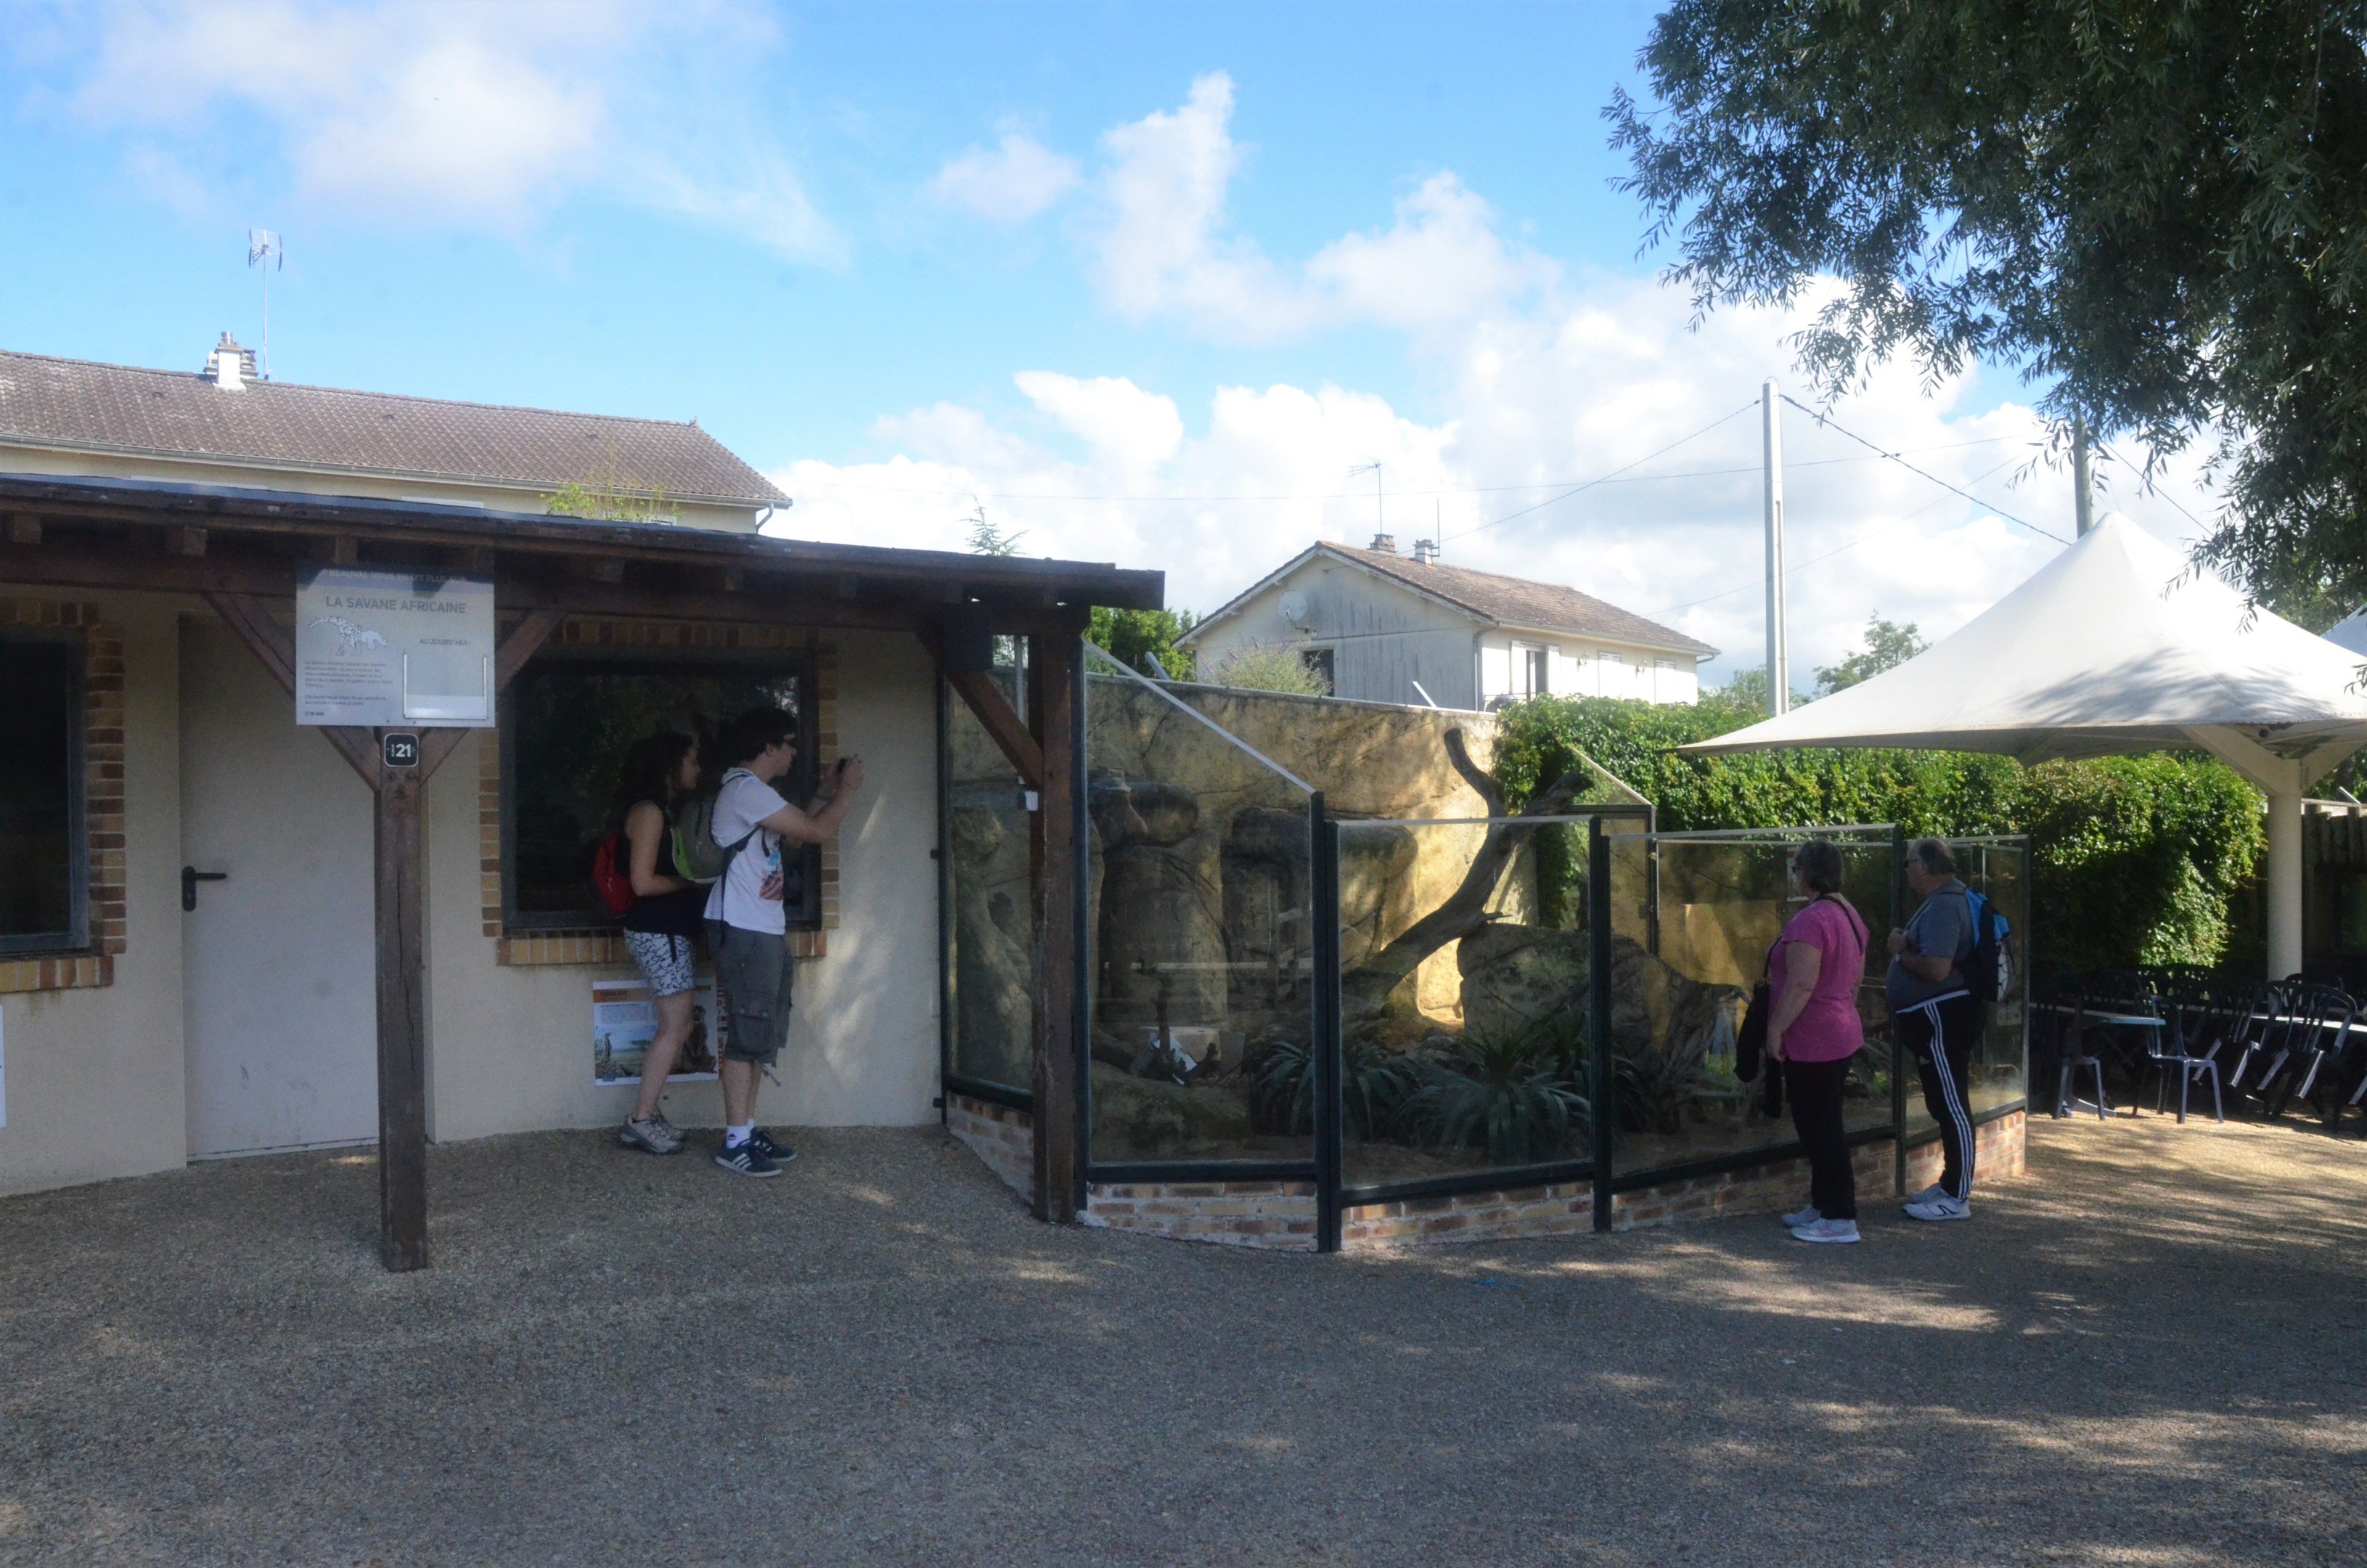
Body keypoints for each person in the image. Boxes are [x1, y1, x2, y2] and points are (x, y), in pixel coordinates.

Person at [706, 706, 864, 1177]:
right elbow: (817, 832)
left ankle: (746, 1129)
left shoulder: (754, 793)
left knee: (759, 1034)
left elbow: (794, 838)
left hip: (760, 927)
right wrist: (848, 790)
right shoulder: (745, 790)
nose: (794, 752)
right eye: (789, 743)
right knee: (746, 1034)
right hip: (744, 928)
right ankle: (735, 1141)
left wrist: (824, 792)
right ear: (769, 746)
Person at [1767, 838, 1871, 1244]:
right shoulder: (1850, 914)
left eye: (1797, 870)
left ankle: (1841, 1217)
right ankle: (1823, 1203)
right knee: (1820, 1125)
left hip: (1814, 1039)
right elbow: (1857, 981)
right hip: (1840, 1030)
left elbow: (1801, 984)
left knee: (1822, 1129)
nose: (1795, 876)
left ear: (1807, 873)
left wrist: (1775, 1030)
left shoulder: (1810, 920)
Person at [616, 732, 712, 1156]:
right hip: (658, 931)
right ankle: (640, 1120)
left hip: (668, 931)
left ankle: (646, 1115)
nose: (697, 768)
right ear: (669, 765)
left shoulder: (662, 810)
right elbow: (642, 883)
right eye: (691, 760)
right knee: (676, 1027)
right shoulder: (650, 813)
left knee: (681, 1025)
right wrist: (689, 882)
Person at [1889, 837, 1980, 1222]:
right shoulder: (1943, 901)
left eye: (1909, 863)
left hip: (1942, 1016)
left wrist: (1899, 951)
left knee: (1952, 1104)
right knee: (1942, 1103)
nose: (1907, 870)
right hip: (1935, 1017)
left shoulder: (1945, 905)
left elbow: (1937, 969)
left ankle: (1957, 1197)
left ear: (1924, 866)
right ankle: (1948, 1184)